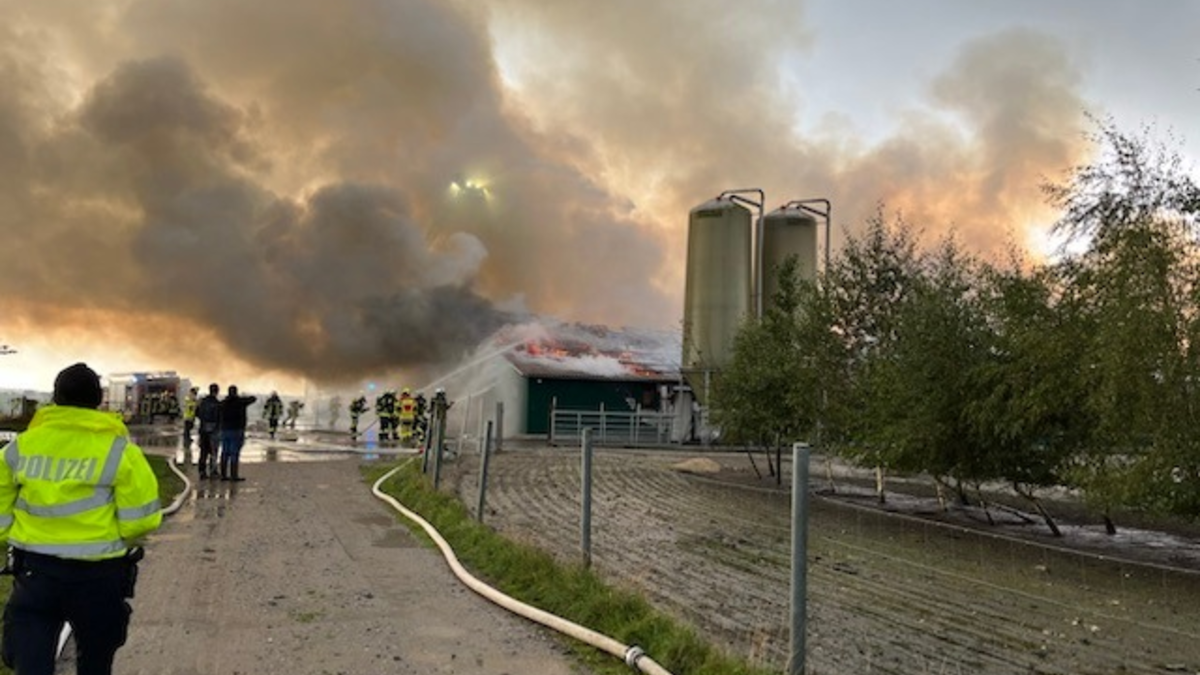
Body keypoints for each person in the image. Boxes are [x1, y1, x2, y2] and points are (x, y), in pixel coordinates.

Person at [0, 362, 162, 675]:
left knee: (30, 663)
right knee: (96, 663)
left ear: (55, 398)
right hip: (99, 577)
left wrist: (11, 533)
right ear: (99, 400)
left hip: (35, 574)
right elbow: (141, 520)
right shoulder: (120, 451)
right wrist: (116, 537)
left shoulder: (20, 447)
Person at [218, 385, 257, 482]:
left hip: (224, 429)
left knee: (225, 452)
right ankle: (233, 475)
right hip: (236, 430)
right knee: (234, 453)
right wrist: (243, 396)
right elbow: (253, 398)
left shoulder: (223, 403)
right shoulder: (240, 402)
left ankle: (223, 475)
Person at [195, 384, 222, 479]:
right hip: (214, 430)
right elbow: (219, 417)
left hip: (203, 429)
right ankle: (213, 471)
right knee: (213, 452)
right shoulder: (217, 404)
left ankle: (202, 472)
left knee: (203, 451)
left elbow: (197, 413)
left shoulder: (203, 402)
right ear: (217, 391)